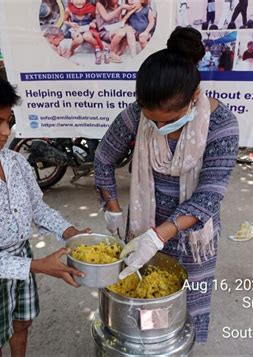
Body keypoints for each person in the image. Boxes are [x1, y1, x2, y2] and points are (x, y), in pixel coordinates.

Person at [94, 27, 239, 343]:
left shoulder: (221, 125)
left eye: (167, 120)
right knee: (146, 304)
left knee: (185, 306)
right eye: (152, 120)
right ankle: (151, 345)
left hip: (193, 237)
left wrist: (160, 235)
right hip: (143, 224)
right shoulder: (136, 115)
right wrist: (114, 209)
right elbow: (104, 157)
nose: (158, 128)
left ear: (195, 97)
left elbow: (208, 197)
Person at [0, 67, 89, 356]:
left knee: (22, 323)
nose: (7, 131)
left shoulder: (15, 163)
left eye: (8, 121)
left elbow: (36, 207)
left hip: (22, 255)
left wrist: (69, 233)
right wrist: (39, 266)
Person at [64, 0, 106, 64]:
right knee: (79, 39)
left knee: (87, 36)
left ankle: (98, 50)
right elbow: (65, 20)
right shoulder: (68, 9)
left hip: (87, 28)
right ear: (71, 0)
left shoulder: (91, 8)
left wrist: (93, 22)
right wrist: (70, 24)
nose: (79, 2)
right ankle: (71, 50)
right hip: (76, 29)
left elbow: (95, 19)